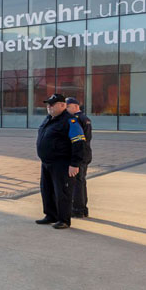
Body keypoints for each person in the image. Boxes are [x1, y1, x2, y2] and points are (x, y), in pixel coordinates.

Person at [35, 94, 86, 230]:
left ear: (62, 105)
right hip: (47, 163)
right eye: (47, 105)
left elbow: (79, 143)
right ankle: (50, 215)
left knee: (62, 192)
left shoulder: (70, 121)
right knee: (47, 190)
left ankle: (64, 220)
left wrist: (75, 164)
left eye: (52, 104)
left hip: (62, 164)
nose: (49, 107)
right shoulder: (49, 119)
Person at [66, 97, 92, 218]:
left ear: (75, 107)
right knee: (81, 181)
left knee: (77, 182)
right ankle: (83, 208)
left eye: (68, 106)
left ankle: (78, 209)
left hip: (81, 154)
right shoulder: (85, 118)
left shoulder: (76, 119)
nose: (66, 109)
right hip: (86, 153)